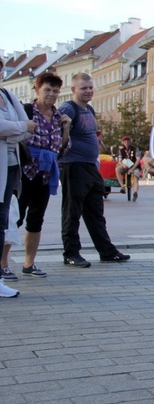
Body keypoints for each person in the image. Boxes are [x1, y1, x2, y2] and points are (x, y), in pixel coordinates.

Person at [58, 73, 130, 268]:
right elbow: (59, 135)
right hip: (73, 165)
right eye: (83, 88)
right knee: (72, 212)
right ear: (73, 90)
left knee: (95, 212)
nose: (88, 91)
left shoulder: (88, 109)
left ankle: (106, 251)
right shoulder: (68, 108)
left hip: (90, 166)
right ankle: (71, 253)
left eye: (90, 87)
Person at [8, 73, 70, 280]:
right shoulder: (25, 111)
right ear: (37, 90)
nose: (51, 94)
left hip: (45, 174)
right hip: (25, 171)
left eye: (55, 90)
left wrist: (67, 128)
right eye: (47, 90)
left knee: (36, 220)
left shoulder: (58, 116)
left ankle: (29, 264)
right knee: (14, 218)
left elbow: (62, 148)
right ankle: (3, 264)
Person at [0, 87, 34, 298]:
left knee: (2, 223)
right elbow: (23, 125)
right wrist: (19, 128)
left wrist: (8, 135)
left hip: (11, 167)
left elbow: (29, 128)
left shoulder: (7, 95)